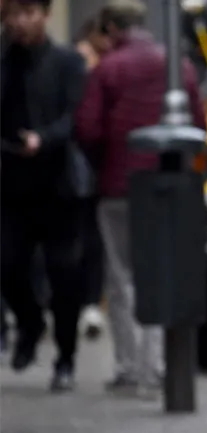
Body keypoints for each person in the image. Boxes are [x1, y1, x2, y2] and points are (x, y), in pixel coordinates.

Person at [75, 0, 207, 396]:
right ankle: (158, 366)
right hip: (168, 189)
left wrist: (102, 166)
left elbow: (88, 128)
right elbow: (199, 123)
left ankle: (130, 367)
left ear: (113, 30)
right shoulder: (178, 67)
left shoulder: (108, 68)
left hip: (118, 186)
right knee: (159, 273)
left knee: (121, 278)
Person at [0, 0, 89, 391]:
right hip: (10, 184)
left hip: (57, 186)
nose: (20, 23)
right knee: (7, 265)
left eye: (28, 13)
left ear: (45, 14)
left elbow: (76, 116)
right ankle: (30, 322)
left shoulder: (67, 62)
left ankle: (65, 358)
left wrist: (45, 139)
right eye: (12, 15)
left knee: (63, 275)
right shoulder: (4, 61)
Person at [74, 14, 109, 341]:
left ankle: (90, 302)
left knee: (92, 241)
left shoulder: (107, 72)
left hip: (93, 172)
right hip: (78, 169)